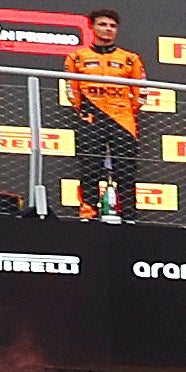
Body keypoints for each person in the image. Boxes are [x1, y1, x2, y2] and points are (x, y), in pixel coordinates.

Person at [62, 13, 153, 222]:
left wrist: (127, 110)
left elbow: (142, 92)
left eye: (112, 25)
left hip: (123, 120)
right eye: (102, 24)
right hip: (92, 117)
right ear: (92, 28)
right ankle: (88, 214)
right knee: (90, 167)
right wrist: (83, 110)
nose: (108, 29)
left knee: (126, 170)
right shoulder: (77, 57)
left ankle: (128, 215)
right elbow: (71, 90)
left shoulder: (130, 58)